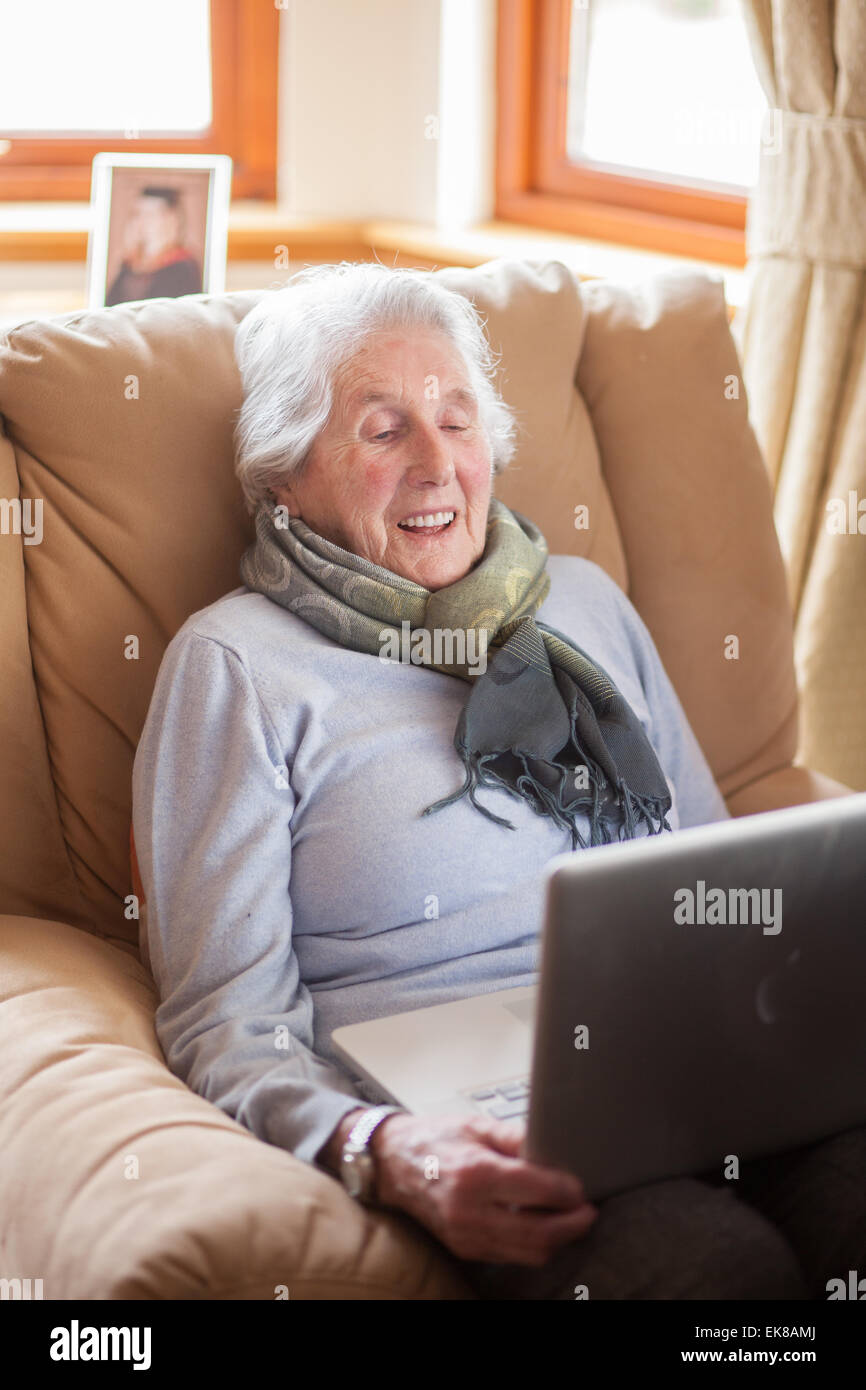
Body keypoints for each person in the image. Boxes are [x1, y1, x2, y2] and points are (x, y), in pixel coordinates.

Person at [132, 261, 866, 1299]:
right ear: (284, 474)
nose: (436, 463)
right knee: (713, 1277)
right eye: (383, 430)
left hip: (685, 1057)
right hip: (475, 1122)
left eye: (458, 420)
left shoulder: (582, 601)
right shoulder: (237, 666)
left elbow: (714, 866)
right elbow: (224, 1020)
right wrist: (381, 1146)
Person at [105, 185, 202, 306]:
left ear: (171, 219)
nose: (142, 221)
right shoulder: (129, 264)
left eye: (150, 214)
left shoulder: (182, 266)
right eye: (138, 214)